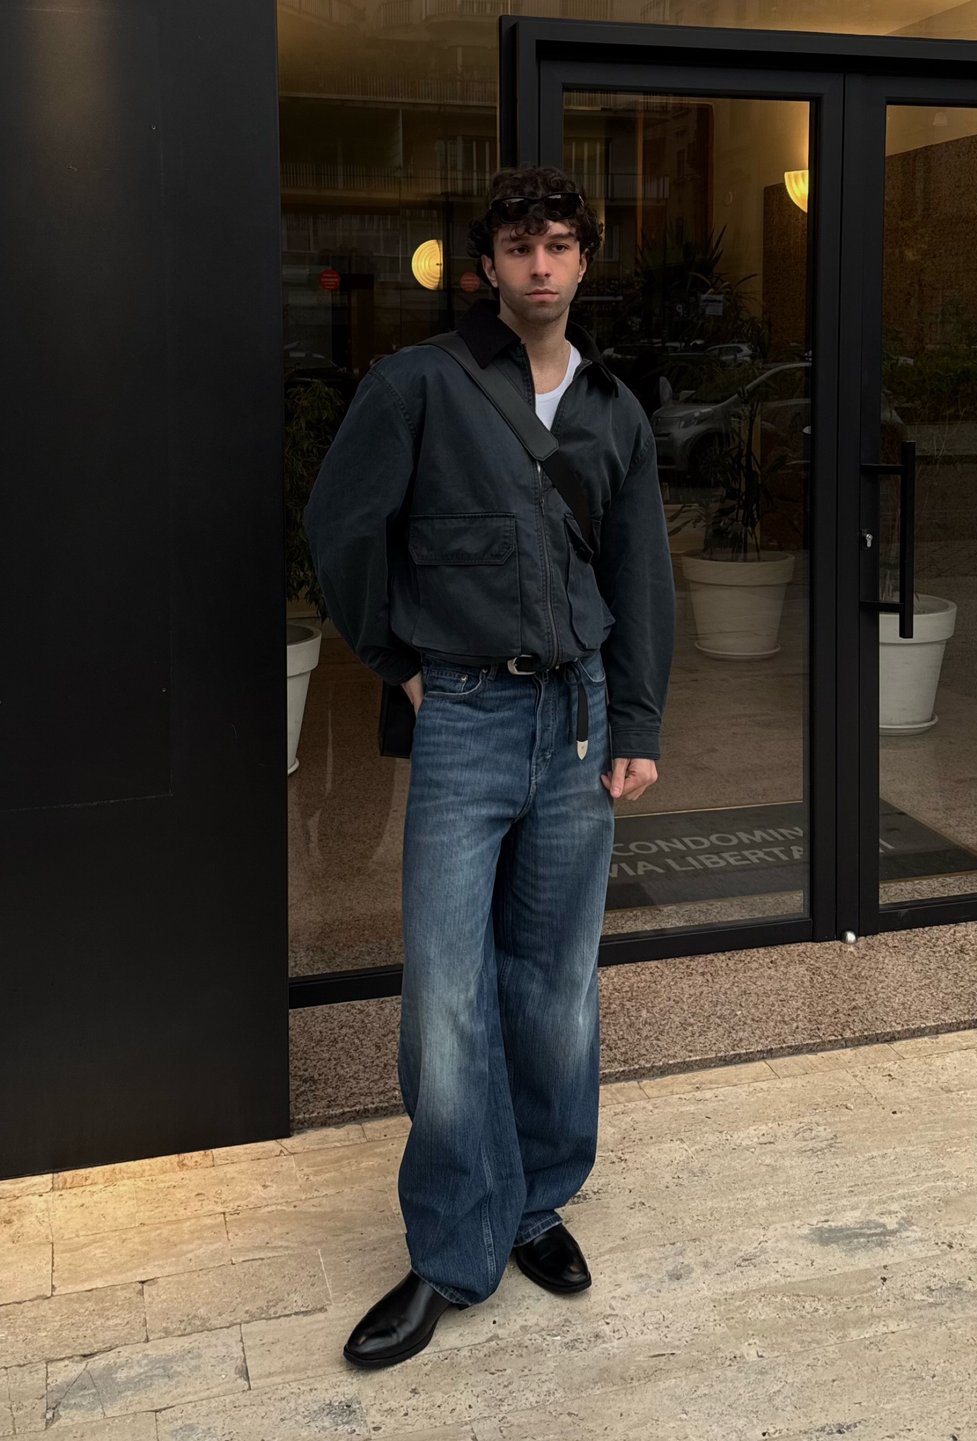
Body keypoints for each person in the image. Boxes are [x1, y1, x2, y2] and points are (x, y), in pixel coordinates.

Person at [303, 165, 675, 1369]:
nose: (540, 267)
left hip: (576, 723)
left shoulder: (616, 406)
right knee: (446, 998)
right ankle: (452, 1247)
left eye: (560, 246)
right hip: (463, 715)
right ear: (487, 268)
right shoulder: (420, 385)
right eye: (518, 248)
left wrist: (637, 723)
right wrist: (397, 659)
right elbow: (340, 527)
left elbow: (639, 578)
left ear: (582, 262)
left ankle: (534, 1201)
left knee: (556, 985)